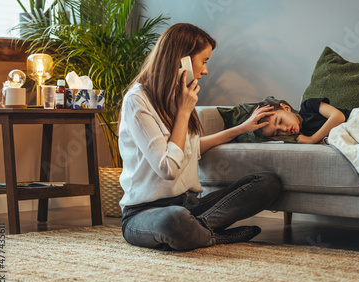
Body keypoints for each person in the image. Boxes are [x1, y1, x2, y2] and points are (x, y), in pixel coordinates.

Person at [118, 23, 281, 251]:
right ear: (181, 59)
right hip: (145, 213)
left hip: (190, 204)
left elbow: (192, 149)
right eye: (204, 61)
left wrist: (242, 128)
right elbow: (168, 169)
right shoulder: (138, 101)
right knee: (173, 221)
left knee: (267, 184)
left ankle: (199, 231)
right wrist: (183, 113)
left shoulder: (180, 94)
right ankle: (213, 235)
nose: (205, 71)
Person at [258, 98, 352, 144]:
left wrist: (312, 139)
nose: (284, 129)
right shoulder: (302, 136)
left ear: (286, 108)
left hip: (353, 118)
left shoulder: (308, 106)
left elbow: (339, 117)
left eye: (280, 121)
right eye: (277, 133)